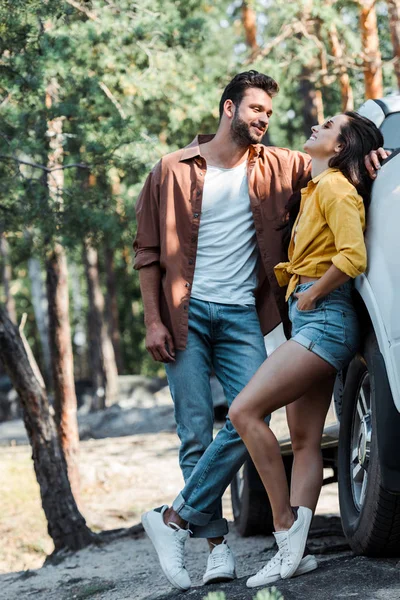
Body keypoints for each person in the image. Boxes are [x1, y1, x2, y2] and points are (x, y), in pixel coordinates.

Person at [134, 70, 384, 591]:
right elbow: (149, 253)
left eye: (269, 113)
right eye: (255, 110)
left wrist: (372, 158)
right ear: (229, 109)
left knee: (251, 420)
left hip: (247, 314)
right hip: (185, 312)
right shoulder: (171, 170)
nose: (264, 120)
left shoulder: (283, 165)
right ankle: (214, 547)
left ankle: (177, 518)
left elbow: (341, 165)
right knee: (195, 431)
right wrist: (155, 319)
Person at [228, 112, 384, 588]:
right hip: (314, 319)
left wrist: (314, 294)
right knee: (303, 440)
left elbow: (353, 254)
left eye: (329, 125)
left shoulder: (336, 188)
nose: (317, 124)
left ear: (340, 147)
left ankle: (283, 529)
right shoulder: (316, 188)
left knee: (244, 412)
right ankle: (296, 552)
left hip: (326, 319)